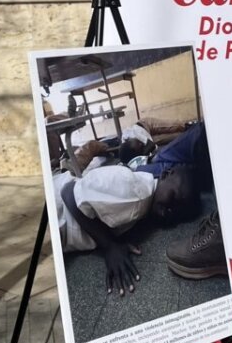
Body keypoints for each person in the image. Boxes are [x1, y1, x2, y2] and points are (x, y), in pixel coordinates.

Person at [52, 121, 211, 294]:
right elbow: (68, 192)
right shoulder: (134, 191)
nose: (170, 211)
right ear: (165, 174)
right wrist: (109, 246)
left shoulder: (144, 200)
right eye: (173, 197)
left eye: (178, 214)